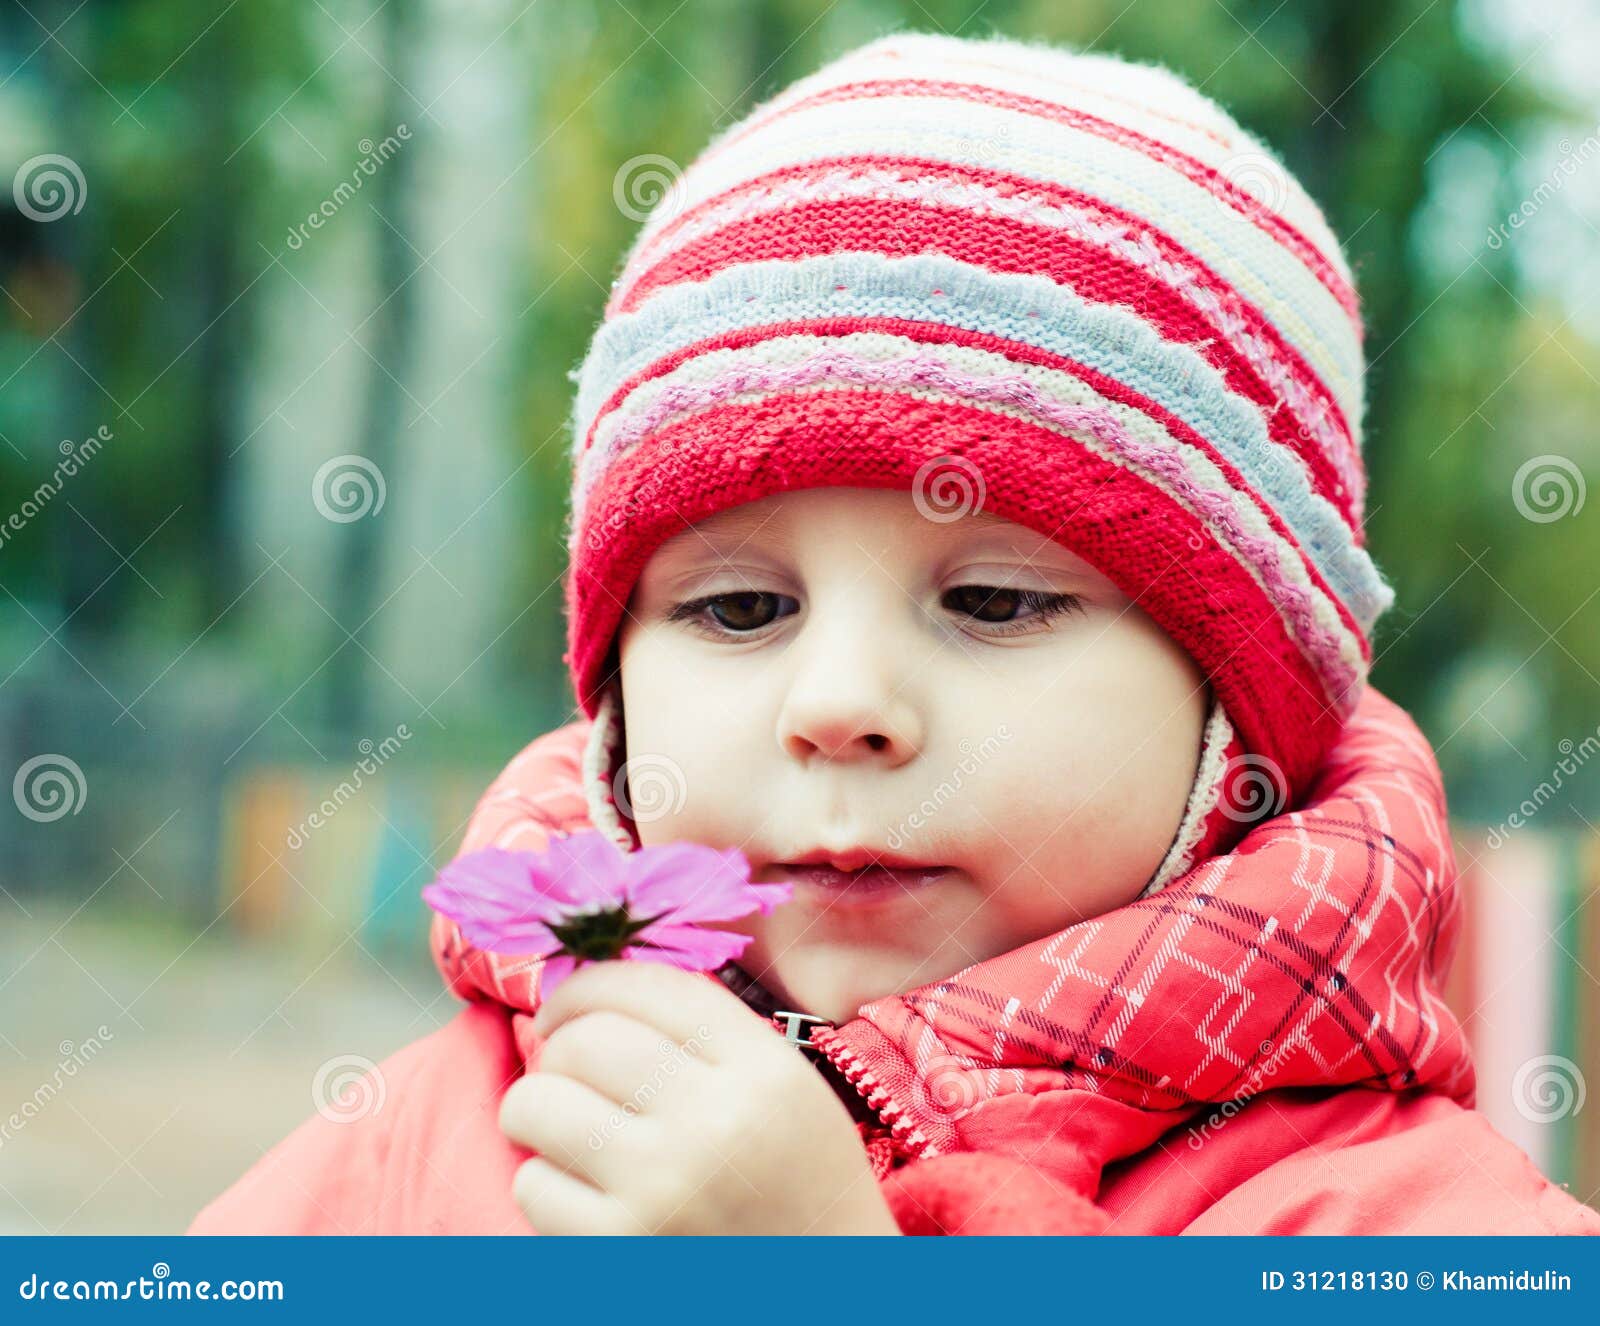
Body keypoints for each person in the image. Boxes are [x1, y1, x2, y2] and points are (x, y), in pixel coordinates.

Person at [188, 30, 1600, 1236]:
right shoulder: (427, 1150)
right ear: (614, 698)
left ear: (1247, 708)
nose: (843, 703)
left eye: (993, 599)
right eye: (740, 607)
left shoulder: (1411, 1222)